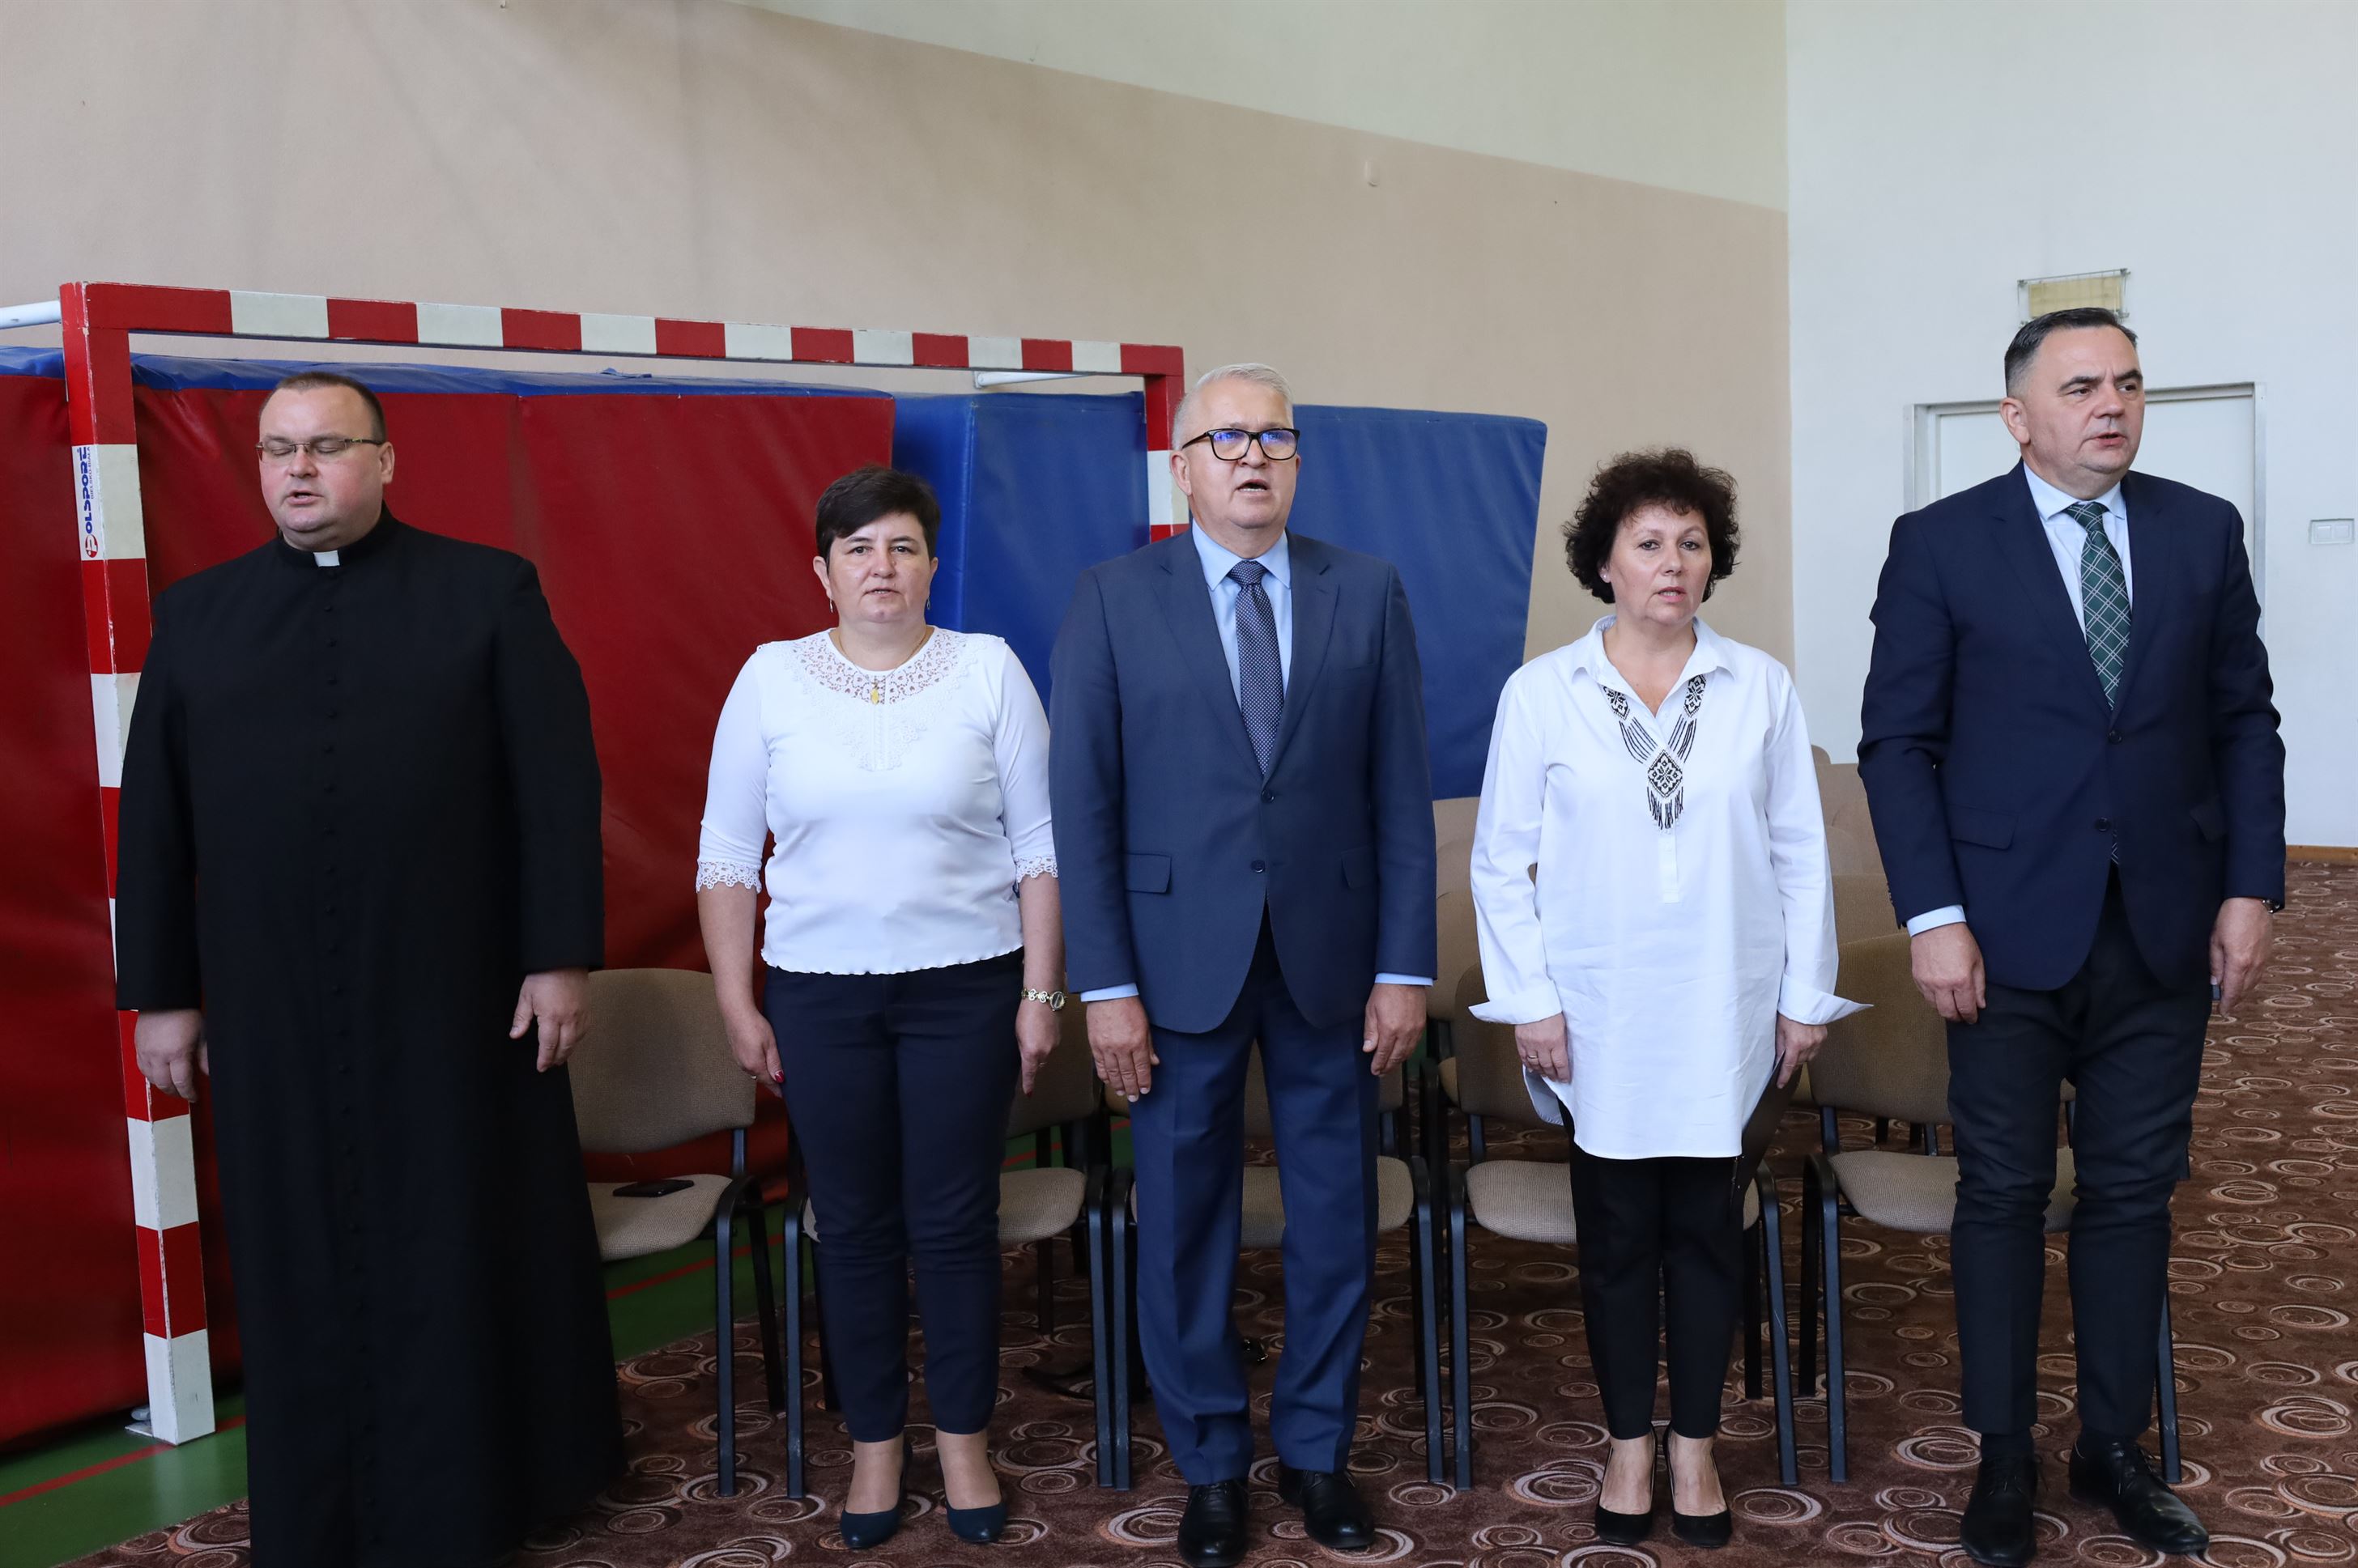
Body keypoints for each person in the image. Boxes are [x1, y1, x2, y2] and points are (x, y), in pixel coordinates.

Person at [113, 371, 619, 1567]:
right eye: (277, 449)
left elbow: (556, 787)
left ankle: (480, 1494)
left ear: (385, 461)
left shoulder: (488, 592)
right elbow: (153, 822)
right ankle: (321, 1506)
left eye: (327, 446)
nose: (299, 469)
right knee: (299, 1253)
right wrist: (162, 993)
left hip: (454, 996)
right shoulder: (198, 617)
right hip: (271, 1007)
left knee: (454, 1236)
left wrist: (558, 957)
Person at [1859, 308, 2284, 1566]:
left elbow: (2245, 721)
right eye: (2084, 385)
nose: (2113, 404)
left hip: (2163, 927)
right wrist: (1934, 915)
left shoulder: (2201, 530)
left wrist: (2251, 887)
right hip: (2000, 934)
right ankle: (2003, 1450)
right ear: (2017, 415)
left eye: (2130, 384)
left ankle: (2112, 1442)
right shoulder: (1941, 543)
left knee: (2133, 1193)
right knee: (2000, 1192)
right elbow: (1900, 743)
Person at [1049, 363, 1436, 1568]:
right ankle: (1210, 1462)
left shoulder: (1367, 590)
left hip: (1333, 961)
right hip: (1173, 967)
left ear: (1299, 459)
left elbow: (1400, 798)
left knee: (1335, 1216)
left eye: (1274, 436)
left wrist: (1405, 965)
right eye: (1226, 439)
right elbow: (1083, 808)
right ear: (1184, 468)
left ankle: (1318, 1449)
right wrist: (1106, 986)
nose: (1253, 456)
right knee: (1181, 1223)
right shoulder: (1113, 597)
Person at [1468, 448, 1858, 1549]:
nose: (1673, 562)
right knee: (1617, 1240)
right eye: (1648, 543)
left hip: (1725, 1006)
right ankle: (1627, 1444)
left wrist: (1806, 995)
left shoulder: (1758, 686)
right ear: (1605, 563)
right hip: (1598, 1011)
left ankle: (1695, 1446)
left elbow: (1802, 852)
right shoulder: (1542, 693)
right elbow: (1500, 862)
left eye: (1691, 542)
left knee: (1706, 1234)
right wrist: (1530, 1000)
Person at [696, 464, 1062, 1549]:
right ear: (823, 572)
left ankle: (964, 1441)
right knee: (852, 1228)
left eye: (902, 546)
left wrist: (1042, 993)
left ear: (933, 564)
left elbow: (1041, 851)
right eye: (857, 549)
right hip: (819, 998)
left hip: (969, 988)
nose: (881, 567)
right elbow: (727, 858)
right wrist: (736, 1001)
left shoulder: (989, 670)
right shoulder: (770, 678)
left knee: (954, 1224)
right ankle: (874, 1447)